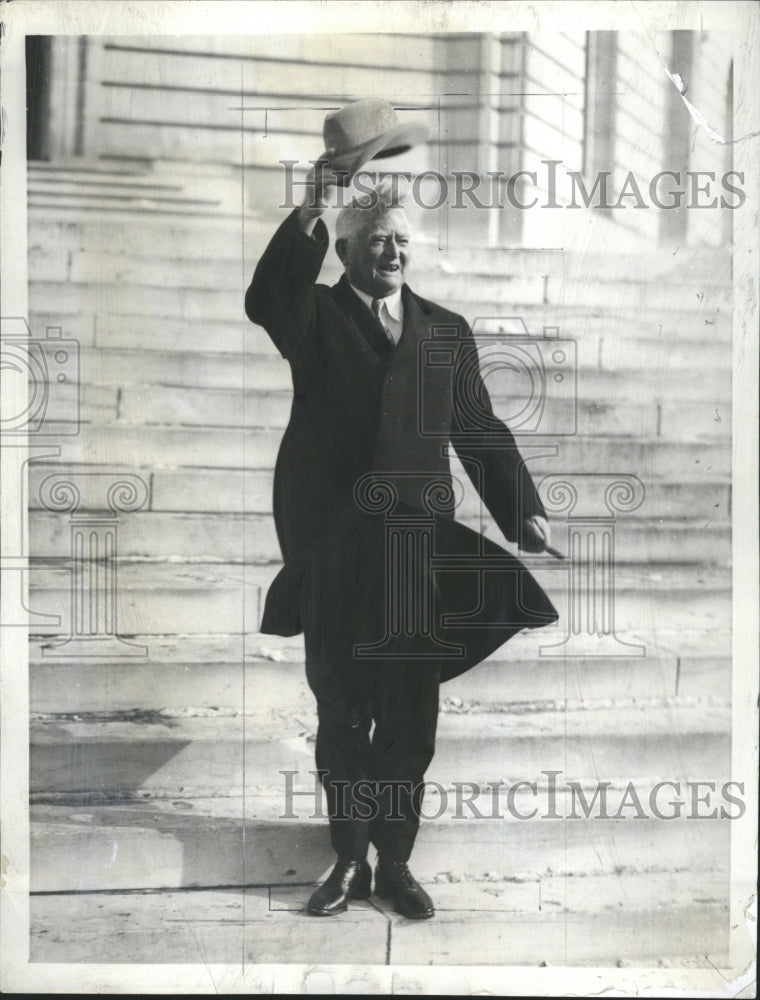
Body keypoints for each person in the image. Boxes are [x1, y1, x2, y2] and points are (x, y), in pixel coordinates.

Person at [245, 139, 558, 920]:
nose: (394, 250)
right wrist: (317, 196)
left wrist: (523, 510)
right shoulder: (312, 317)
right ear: (346, 249)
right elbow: (265, 296)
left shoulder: (444, 331)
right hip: (337, 546)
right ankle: (347, 860)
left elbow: (479, 430)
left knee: (411, 709)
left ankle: (396, 862)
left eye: (404, 240)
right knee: (343, 703)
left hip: (417, 548)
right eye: (379, 237)